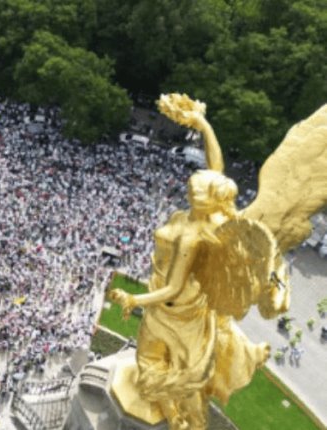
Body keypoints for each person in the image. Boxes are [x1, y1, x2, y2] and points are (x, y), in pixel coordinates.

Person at [109, 94, 268, 430]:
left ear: (210, 199)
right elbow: (217, 168)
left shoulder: (195, 234)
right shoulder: (203, 217)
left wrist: (134, 299)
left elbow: (174, 285)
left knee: (152, 360)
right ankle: (177, 415)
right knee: (167, 363)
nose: (193, 187)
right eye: (195, 185)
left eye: (199, 189)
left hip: (172, 304)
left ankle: (177, 416)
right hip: (177, 302)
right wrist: (203, 125)